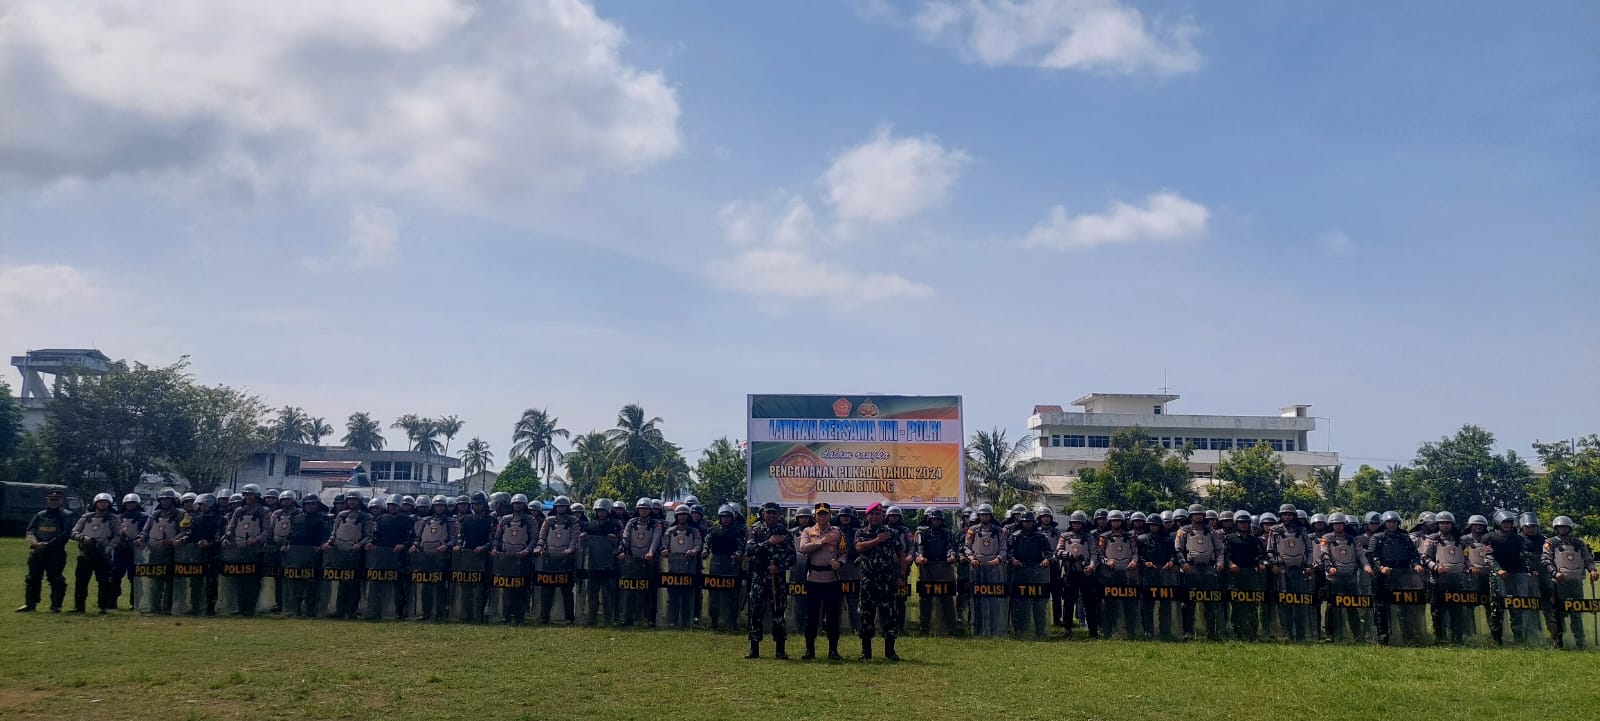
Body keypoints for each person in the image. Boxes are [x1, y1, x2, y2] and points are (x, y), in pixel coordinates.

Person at [744, 502, 795, 659]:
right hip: (759, 576)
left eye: (774, 513)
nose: (771, 516)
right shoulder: (755, 530)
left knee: (778, 612)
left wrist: (780, 568)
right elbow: (749, 550)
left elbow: (792, 557)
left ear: (778, 515)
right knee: (756, 612)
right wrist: (769, 542)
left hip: (777, 578)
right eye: (768, 513)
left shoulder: (785, 533)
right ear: (763, 514)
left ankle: (780, 649)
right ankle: (754, 648)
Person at [855, 503, 905, 661]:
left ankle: (890, 651)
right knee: (866, 615)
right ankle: (866, 651)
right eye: (872, 514)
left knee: (889, 616)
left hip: (887, 581)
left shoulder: (892, 533)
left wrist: (901, 576)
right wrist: (877, 540)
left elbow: (901, 555)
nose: (875, 517)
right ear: (867, 516)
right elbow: (859, 547)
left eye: (878, 514)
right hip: (868, 580)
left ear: (883, 516)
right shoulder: (862, 532)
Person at [1368, 510, 1424, 645]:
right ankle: (1383, 637)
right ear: (1384, 523)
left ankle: (1408, 636)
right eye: (1389, 522)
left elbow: (1413, 553)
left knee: (1405, 607)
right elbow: (1372, 556)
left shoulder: (1404, 537)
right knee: (1382, 607)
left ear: (1398, 523)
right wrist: (1380, 567)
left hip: (1403, 576)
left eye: (1394, 522)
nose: (1392, 525)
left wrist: (1416, 564)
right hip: (1383, 577)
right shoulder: (1377, 537)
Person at [797, 503, 844, 659]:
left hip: (831, 579)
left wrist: (840, 562)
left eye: (825, 514)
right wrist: (822, 541)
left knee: (832, 617)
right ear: (814, 516)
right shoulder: (808, 531)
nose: (822, 517)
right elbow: (803, 548)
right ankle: (809, 650)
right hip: (814, 579)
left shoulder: (837, 533)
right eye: (819, 514)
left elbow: (844, 552)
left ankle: (833, 650)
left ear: (829, 515)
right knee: (811, 616)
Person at [1543, 516, 1597, 649]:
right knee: (1558, 613)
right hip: (1558, 583)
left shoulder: (1579, 543)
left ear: (1570, 528)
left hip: (1576, 583)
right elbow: (1545, 560)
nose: (1563, 529)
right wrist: (1555, 573)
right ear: (1556, 528)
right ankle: (1558, 641)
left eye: (1566, 527)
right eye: (1561, 527)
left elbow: (1588, 559)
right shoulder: (1550, 543)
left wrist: (1593, 570)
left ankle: (1580, 641)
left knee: (1576, 612)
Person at [18, 489, 73, 613]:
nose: (53, 502)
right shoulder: (39, 515)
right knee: (32, 578)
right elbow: (30, 531)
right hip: (37, 551)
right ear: (47, 500)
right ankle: (30, 604)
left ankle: (56, 606)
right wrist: (35, 543)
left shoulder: (67, 515)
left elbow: (65, 534)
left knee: (56, 579)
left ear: (61, 501)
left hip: (55, 553)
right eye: (51, 499)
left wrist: (47, 544)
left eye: (56, 500)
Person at [322, 492, 373, 620]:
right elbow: (334, 532)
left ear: (359, 501)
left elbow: (369, 535)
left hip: (355, 554)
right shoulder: (341, 515)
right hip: (340, 553)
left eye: (354, 500)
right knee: (342, 582)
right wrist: (330, 542)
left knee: (353, 584)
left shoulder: (366, 517)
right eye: (350, 500)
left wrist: (360, 544)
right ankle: (340, 610)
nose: (352, 502)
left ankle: (351, 611)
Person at [1176, 504, 1223, 641]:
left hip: (1208, 570)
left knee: (1210, 603)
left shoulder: (1211, 531)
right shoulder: (1183, 531)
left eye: (1200, 514)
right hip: (1190, 569)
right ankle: (1188, 633)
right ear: (1190, 516)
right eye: (1195, 514)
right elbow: (1178, 550)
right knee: (1188, 604)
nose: (1198, 516)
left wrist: (1219, 562)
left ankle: (1211, 633)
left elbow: (1220, 549)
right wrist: (1183, 563)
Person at [1267, 509, 1314, 642]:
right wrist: (1273, 565)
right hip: (1282, 570)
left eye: (1290, 514)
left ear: (1294, 516)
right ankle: (1287, 632)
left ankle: (1301, 634)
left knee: (1300, 602)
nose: (1287, 517)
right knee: (1284, 602)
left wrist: (1309, 565)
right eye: (1284, 514)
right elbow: (1269, 551)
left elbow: (1309, 550)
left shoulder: (1302, 530)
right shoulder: (1275, 531)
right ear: (1280, 515)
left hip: (1299, 570)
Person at [222, 484, 270, 616]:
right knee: (240, 581)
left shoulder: (263, 511)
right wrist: (226, 538)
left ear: (256, 496)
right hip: (239, 550)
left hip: (256, 551)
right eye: (246, 495)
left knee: (253, 581)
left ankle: (250, 608)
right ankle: (240, 607)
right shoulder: (239, 511)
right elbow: (231, 527)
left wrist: (257, 540)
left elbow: (267, 530)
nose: (248, 497)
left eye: (251, 494)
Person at [69, 493, 119, 615]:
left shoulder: (113, 519)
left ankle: (103, 606)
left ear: (109, 504)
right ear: (95, 503)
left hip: (102, 554)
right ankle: (79, 606)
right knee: (81, 581)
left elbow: (117, 536)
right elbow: (73, 532)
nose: (103, 504)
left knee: (104, 582)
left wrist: (108, 548)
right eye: (100, 502)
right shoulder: (86, 517)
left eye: (105, 502)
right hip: (85, 553)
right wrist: (82, 538)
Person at [136, 488, 183, 615]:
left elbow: (185, 531)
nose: (164, 501)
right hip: (155, 552)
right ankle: (154, 607)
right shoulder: (155, 514)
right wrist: (141, 539)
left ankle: (167, 608)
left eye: (167, 499)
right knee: (155, 581)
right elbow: (145, 530)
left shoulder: (181, 514)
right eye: (162, 499)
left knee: (170, 582)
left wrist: (173, 540)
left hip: (172, 552)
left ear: (173, 500)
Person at [491, 494, 537, 625]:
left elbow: (534, 538)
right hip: (507, 558)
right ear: (512, 505)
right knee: (507, 588)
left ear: (525, 505)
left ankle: (520, 616)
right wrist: (495, 548)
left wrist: (528, 550)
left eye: (520, 503)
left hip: (524, 558)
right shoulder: (505, 519)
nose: (518, 505)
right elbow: (497, 536)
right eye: (515, 503)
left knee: (522, 588)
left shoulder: (530, 520)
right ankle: (506, 615)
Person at [535, 496, 581, 626]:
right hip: (549, 559)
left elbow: (574, 538)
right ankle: (544, 617)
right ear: (555, 507)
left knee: (567, 591)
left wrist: (570, 549)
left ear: (567, 507)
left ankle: (569, 618)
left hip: (566, 559)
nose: (561, 508)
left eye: (563, 506)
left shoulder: (573, 521)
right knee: (547, 591)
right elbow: (542, 536)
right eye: (559, 506)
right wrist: (539, 548)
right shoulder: (548, 521)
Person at [176, 493, 224, 616]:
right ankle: (195, 605)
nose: (202, 507)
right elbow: (190, 533)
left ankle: (210, 607)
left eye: (204, 504)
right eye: (200, 505)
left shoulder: (220, 519)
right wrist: (183, 539)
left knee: (211, 582)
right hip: (197, 554)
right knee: (195, 581)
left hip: (213, 555)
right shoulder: (196, 519)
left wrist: (210, 543)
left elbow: (220, 536)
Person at [410, 496, 456, 622]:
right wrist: (414, 546)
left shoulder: (450, 521)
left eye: (442, 505)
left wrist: (447, 546)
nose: (439, 508)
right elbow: (417, 538)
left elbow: (453, 539)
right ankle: (426, 613)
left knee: (440, 587)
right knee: (426, 587)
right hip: (425, 557)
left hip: (441, 558)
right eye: (437, 505)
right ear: (433, 507)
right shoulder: (425, 521)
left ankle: (440, 613)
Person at [915, 507, 959, 636]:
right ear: (930, 519)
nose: (936, 522)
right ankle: (924, 628)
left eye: (939, 519)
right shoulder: (922, 532)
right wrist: (921, 556)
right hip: (927, 568)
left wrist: (951, 555)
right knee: (926, 600)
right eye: (934, 519)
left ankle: (951, 628)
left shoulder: (946, 532)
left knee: (947, 600)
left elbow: (951, 546)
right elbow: (920, 547)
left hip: (944, 568)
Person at [1096, 510, 1140, 640]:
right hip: (1109, 574)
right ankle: (1108, 631)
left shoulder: (1130, 536)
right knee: (1109, 604)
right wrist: (1106, 561)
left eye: (1118, 520)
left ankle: (1131, 631)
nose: (1116, 522)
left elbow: (1135, 552)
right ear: (1110, 522)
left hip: (1127, 573)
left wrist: (1134, 561)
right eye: (1114, 520)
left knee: (1129, 605)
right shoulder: (1104, 537)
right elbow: (1100, 554)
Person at [1008, 510, 1051, 641]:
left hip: (1038, 573)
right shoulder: (1015, 536)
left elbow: (1049, 552)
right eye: (1025, 522)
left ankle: (1040, 631)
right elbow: (1008, 552)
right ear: (1022, 522)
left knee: (1039, 606)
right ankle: (1020, 631)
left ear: (1033, 523)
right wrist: (1012, 560)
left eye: (1030, 522)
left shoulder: (1040, 537)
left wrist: (1047, 559)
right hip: (1020, 573)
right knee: (1020, 605)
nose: (1027, 524)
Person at [619, 498, 663, 628]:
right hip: (632, 561)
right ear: (638, 510)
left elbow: (656, 539)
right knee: (629, 591)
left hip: (648, 561)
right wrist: (622, 550)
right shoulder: (631, 522)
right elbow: (625, 537)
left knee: (649, 591)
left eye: (646, 509)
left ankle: (650, 619)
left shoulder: (656, 523)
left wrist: (651, 552)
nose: (643, 511)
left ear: (650, 510)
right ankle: (628, 619)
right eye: (641, 509)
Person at [283, 494, 328, 618]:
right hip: (296, 556)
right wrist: (286, 546)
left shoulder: (323, 519)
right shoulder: (296, 518)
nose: (310, 506)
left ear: (317, 505)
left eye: (313, 504)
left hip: (314, 555)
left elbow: (326, 536)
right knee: (296, 584)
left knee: (312, 586)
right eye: (308, 504)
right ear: (304, 505)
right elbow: (290, 536)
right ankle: (295, 610)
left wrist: (321, 546)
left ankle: (311, 611)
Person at [968, 504, 1009, 637]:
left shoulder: (998, 531)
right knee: (977, 600)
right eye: (982, 514)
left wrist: (999, 558)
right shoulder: (972, 530)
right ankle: (977, 630)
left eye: (987, 514)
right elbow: (966, 547)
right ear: (979, 516)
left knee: (994, 600)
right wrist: (971, 558)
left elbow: (1004, 548)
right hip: (977, 568)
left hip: (994, 567)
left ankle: (995, 630)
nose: (984, 517)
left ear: (990, 516)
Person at [1137, 510, 1179, 641]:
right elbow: (1139, 556)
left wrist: (1171, 562)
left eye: (1156, 525)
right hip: (1149, 576)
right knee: (1148, 605)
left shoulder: (1167, 540)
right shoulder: (1142, 539)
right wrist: (1145, 562)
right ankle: (1148, 631)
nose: (1154, 527)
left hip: (1165, 575)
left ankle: (1165, 630)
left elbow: (1174, 554)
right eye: (1151, 525)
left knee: (1165, 605)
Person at [702, 504, 743, 631]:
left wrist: (739, 554)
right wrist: (705, 551)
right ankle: (714, 621)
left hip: (731, 564)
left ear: (732, 517)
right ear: (720, 518)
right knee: (714, 594)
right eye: (723, 517)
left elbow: (741, 546)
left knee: (732, 595)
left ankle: (732, 622)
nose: (725, 519)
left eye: (728, 517)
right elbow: (706, 543)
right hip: (716, 563)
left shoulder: (737, 531)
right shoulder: (713, 530)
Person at [662, 504, 703, 630]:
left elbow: (698, 545)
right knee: (673, 596)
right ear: (676, 516)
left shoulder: (694, 531)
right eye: (680, 515)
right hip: (673, 567)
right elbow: (664, 545)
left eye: (684, 515)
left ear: (688, 516)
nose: (682, 517)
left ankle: (686, 622)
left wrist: (694, 551)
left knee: (687, 596)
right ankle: (672, 621)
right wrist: (664, 550)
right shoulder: (670, 531)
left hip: (689, 567)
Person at [111, 493, 148, 611]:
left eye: (132, 503)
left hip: (135, 550)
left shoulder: (144, 517)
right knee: (115, 575)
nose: (130, 505)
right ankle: (112, 600)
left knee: (135, 577)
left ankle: (135, 602)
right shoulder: (118, 517)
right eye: (128, 503)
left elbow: (146, 531)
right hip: (120, 550)